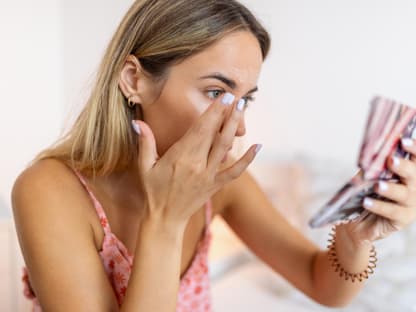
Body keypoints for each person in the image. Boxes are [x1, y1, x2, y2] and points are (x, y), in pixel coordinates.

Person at [11, 0, 416, 311]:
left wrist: (357, 240)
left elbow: (321, 283)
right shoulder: (48, 190)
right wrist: (166, 219)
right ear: (134, 81)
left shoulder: (221, 184)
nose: (236, 127)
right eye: (216, 93)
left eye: (244, 101)